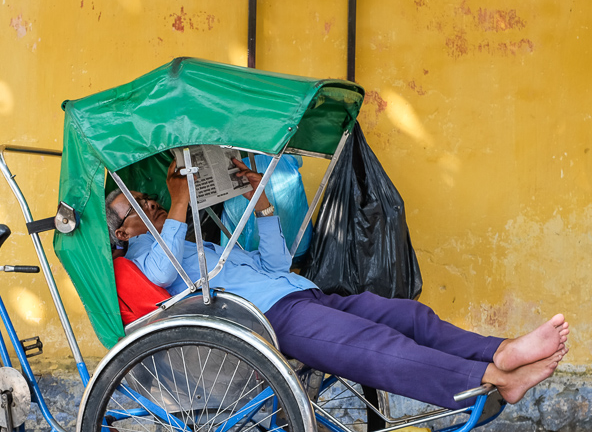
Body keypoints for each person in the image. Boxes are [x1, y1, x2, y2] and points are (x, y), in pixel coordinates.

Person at [105, 159, 569, 410]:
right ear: (122, 233)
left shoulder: (192, 241)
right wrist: (181, 199)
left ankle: (500, 350)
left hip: (299, 294)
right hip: (271, 319)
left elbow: (276, 261)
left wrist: (261, 204)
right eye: (136, 205)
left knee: (405, 314)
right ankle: (493, 378)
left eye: (148, 197)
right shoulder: (147, 259)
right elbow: (164, 278)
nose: (151, 202)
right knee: (375, 344)